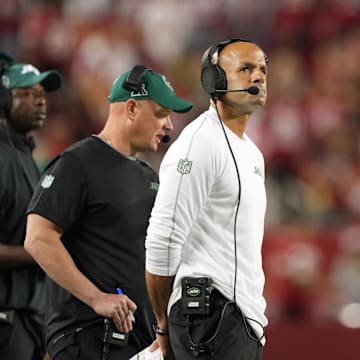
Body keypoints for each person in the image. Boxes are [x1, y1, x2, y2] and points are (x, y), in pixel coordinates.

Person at [24, 65, 193, 360]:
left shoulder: (147, 176)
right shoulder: (77, 163)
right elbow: (38, 238)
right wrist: (96, 297)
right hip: (88, 338)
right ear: (131, 108)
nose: (169, 126)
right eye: (161, 113)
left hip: (138, 341)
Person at [145, 39, 269, 359]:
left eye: (262, 69)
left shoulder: (252, 153)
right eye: (245, 68)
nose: (258, 76)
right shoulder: (201, 144)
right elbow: (163, 239)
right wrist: (162, 325)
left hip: (239, 319)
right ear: (214, 81)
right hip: (210, 319)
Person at [0, 53, 63, 360]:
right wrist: (38, 250)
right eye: (25, 93)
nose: (39, 101)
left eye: (41, 94)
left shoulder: (24, 154)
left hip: (27, 318)